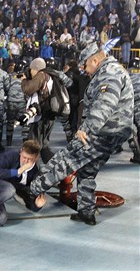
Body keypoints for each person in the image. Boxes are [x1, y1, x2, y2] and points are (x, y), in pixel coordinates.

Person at [29, 43, 134, 225]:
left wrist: (86, 129)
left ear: (95, 59)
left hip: (105, 131)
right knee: (87, 170)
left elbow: (105, 104)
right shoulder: (106, 71)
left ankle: (31, 190)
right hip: (111, 131)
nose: (84, 69)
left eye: (85, 64)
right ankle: (86, 212)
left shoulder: (109, 72)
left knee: (68, 158)